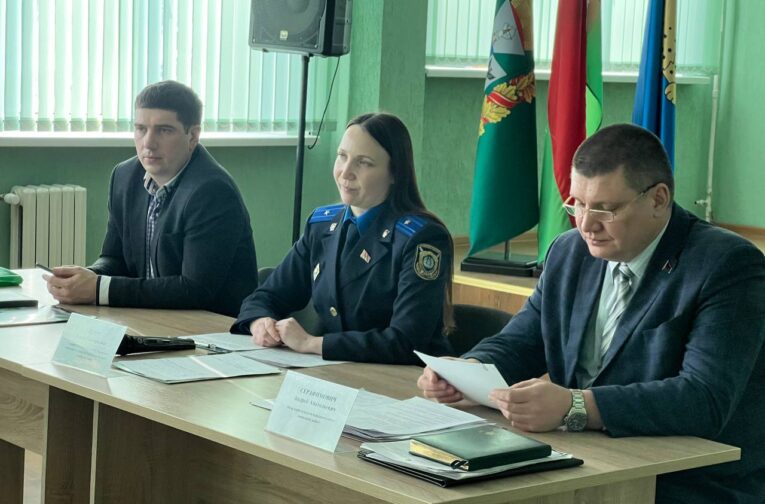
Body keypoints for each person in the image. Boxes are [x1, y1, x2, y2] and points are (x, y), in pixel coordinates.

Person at [417, 124, 765, 503]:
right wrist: (466, 372)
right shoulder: (569, 253)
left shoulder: (726, 264)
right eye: (578, 204)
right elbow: (522, 342)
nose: (586, 224)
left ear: (658, 199)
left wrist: (576, 406)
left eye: (605, 209)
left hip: (685, 480)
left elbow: (704, 398)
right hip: (584, 460)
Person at [232, 112, 454, 364]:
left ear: (395, 173)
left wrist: (313, 344)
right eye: (342, 156)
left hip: (407, 378)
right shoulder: (322, 224)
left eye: (364, 163)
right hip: (338, 371)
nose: (345, 172)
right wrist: (260, 322)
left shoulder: (421, 239)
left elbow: (406, 341)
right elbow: (266, 296)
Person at [44, 80, 258, 317]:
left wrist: (98, 289)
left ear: (193, 136)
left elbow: (194, 290)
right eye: (141, 129)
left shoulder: (212, 191)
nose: (148, 142)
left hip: (209, 327)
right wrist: (85, 278)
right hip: (147, 318)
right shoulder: (124, 176)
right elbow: (114, 258)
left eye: (164, 130)